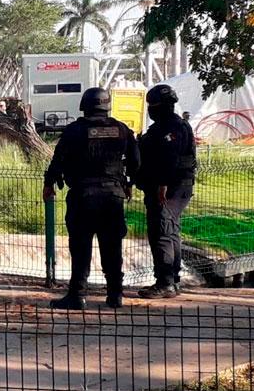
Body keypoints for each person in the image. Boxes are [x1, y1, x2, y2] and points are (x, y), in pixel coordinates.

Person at [43, 88, 140, 310]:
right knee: (112, 247)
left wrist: (49, 184)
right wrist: (128, 183)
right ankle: (115, 295)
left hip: (82, 197)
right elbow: (136, 161)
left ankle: (77, 295)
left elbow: (58, 159)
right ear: (107, 106)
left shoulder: (74, 131)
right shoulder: (122, 130)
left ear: (84, 106)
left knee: (80, 247)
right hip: (112, 197)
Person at [136, 84, 197, 299]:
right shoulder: (174, 126)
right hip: (178, 187)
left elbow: (169, 159)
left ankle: (165, 283)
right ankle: (172, 280)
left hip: (169, 189)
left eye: (152, 105)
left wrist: (162, 184)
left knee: (161, 233)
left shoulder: (170, 128)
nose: (150, 109)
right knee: (171, 232)